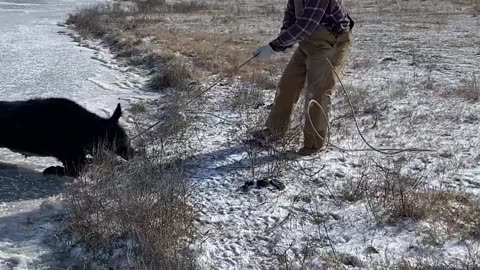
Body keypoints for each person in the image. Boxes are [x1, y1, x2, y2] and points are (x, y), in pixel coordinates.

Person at [252, 0, 354, 155]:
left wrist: (274, 46)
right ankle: (274, 131)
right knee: (287, 85)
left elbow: (306, 25)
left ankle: (313, 145)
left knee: (317, 94)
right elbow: (290, 18)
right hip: (307, 42)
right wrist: (283, 37)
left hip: (330, 43)